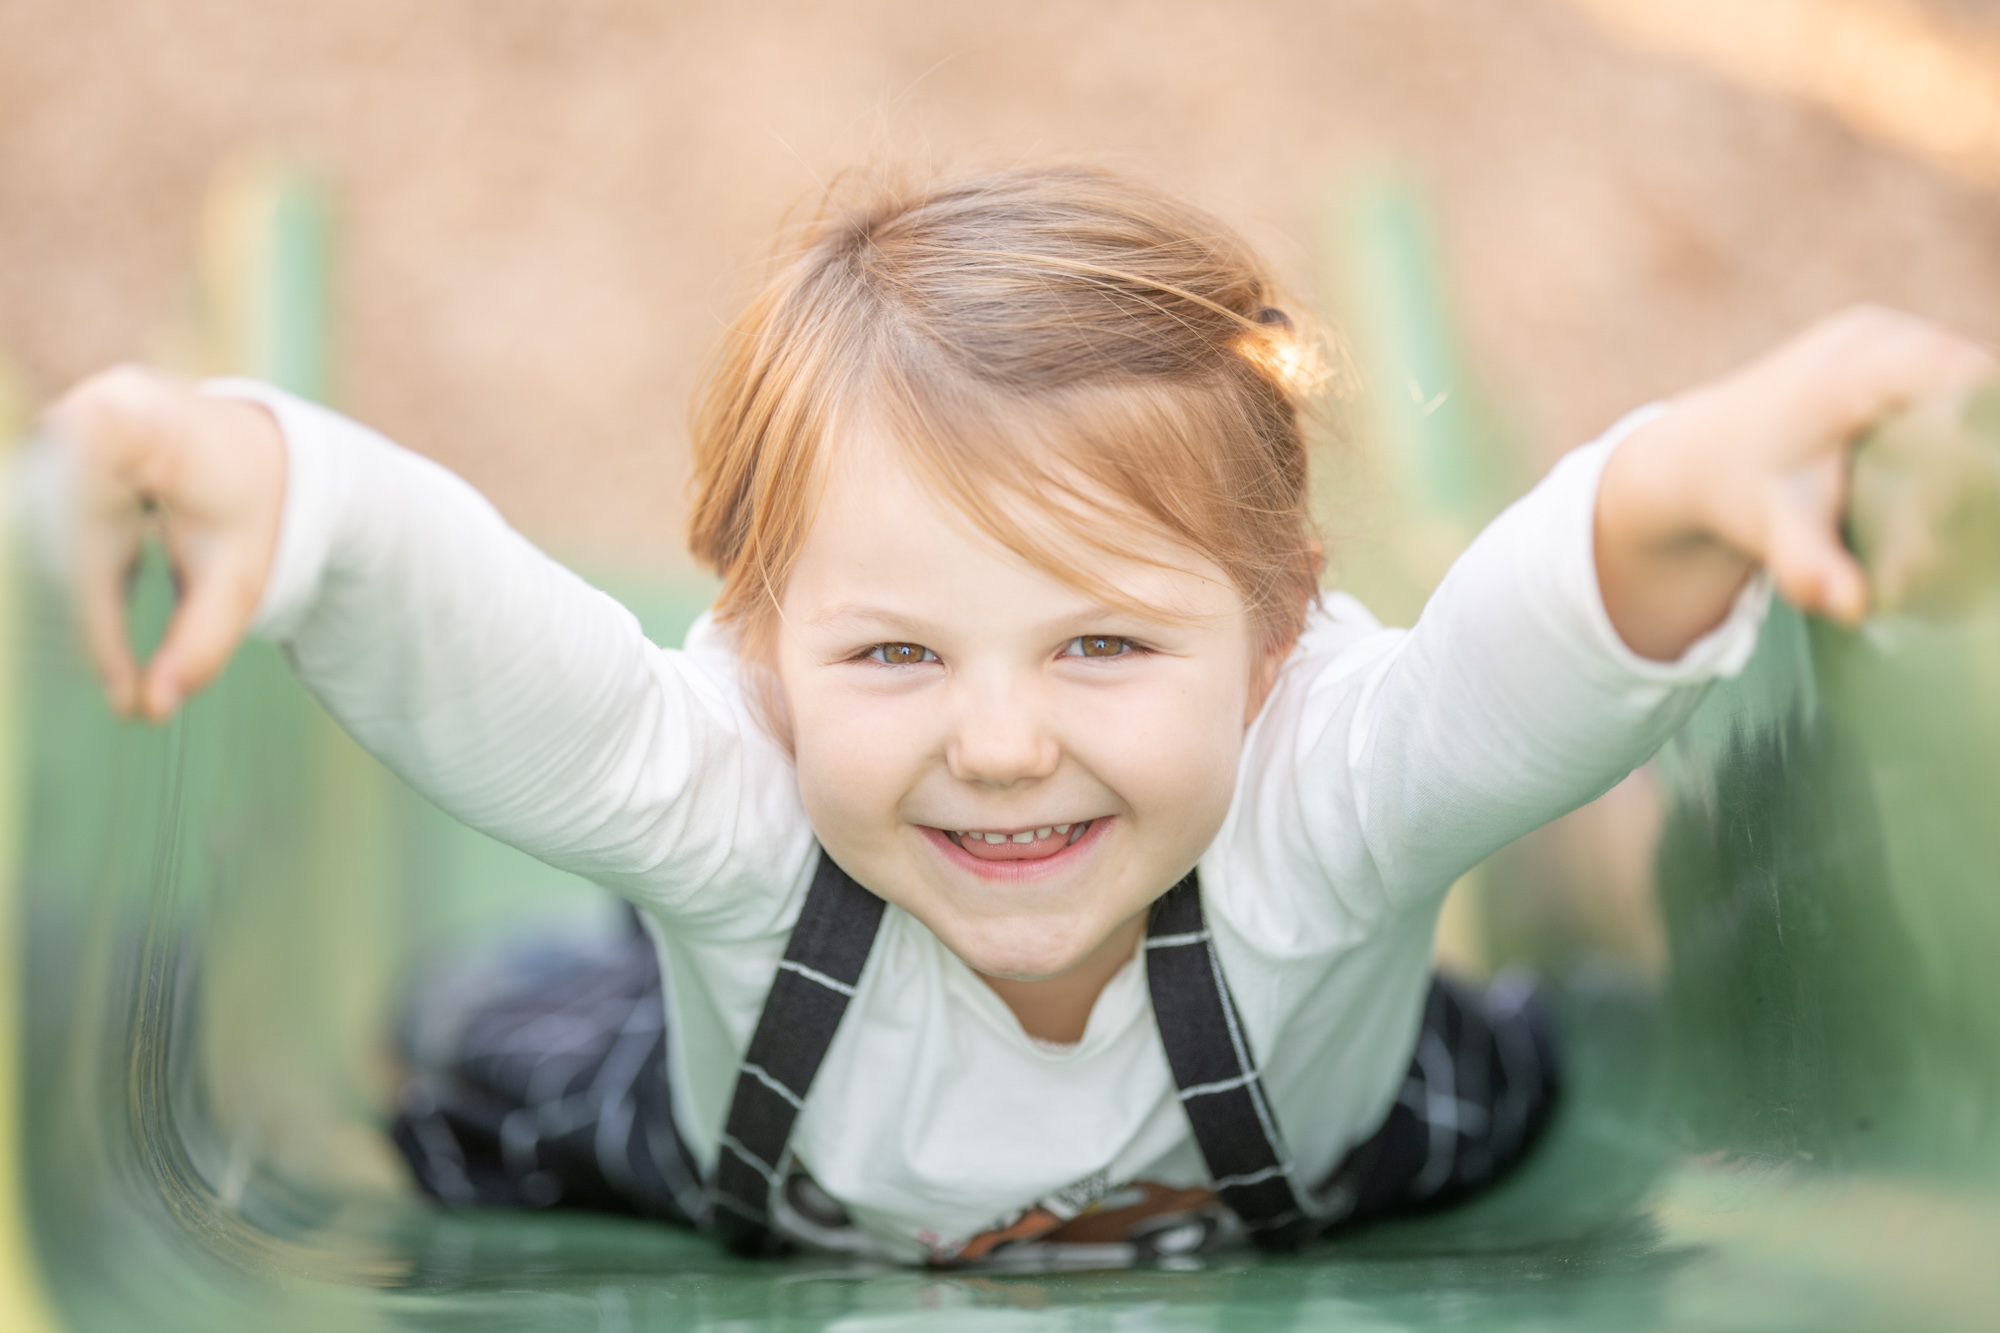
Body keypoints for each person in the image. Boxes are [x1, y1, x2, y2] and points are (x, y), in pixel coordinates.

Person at [43, 166, 1993, 1268]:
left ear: (1276, 632)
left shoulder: (1328, 788)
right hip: (737, 1151)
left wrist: (1686, 484)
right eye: (894, 655)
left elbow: (1525, 650)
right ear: (755, 642)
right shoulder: (735, 788)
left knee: (1522, 1056)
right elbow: (495, 661)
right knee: (502, 1037)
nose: (997, 742)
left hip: (1347, 1142)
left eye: (1098, 650)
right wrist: (280, 493)